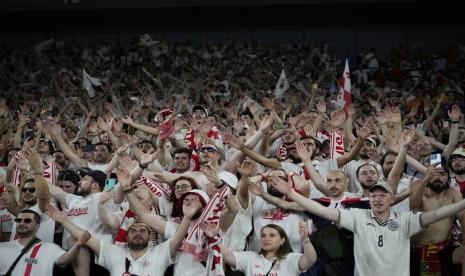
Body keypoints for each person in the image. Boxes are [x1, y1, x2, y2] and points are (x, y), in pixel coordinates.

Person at [270, 173, 465, 276]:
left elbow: (438, 213)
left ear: (391, 199)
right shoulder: (358, 216)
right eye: (373, 195)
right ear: (368, 199)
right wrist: (292, 193)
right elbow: (322, 210)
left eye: (383, 195)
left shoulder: (406, 219)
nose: (378, 199)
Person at [45, 199, 199, 276]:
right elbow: (88, 239)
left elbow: (178, 237)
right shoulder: (115, 253)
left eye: (143, 231)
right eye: (133, 231)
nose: (138, 233)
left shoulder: (160, 252)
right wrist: (63, 221)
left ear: (149, 236)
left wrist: (186, 217)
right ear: (126, 236)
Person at [410, 164, 465, 275]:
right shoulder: (419, 191)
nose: (438, 177)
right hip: (416, 250)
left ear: (449, 178)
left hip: (443, 248)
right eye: (433, 174)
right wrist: (426, 179)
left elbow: (463, 218)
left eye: (442, 174)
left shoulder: (453, 193)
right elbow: (414, 203)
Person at [202, 222, 316, 276]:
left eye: (272, 235)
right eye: (263, 235)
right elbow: (226, 255)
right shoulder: (250, 257)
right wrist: (214, 238)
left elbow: (310, 260)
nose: (266, 239)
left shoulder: (291, 258)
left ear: (282, 240)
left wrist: (305, 240)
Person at [0, 209, 85, 276]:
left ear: (37, 226)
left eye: (27, 221)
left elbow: (64, 260)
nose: (22, 223)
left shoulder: (50, 248)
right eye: (18, 220)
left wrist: (78, 245)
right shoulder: (2, 247)